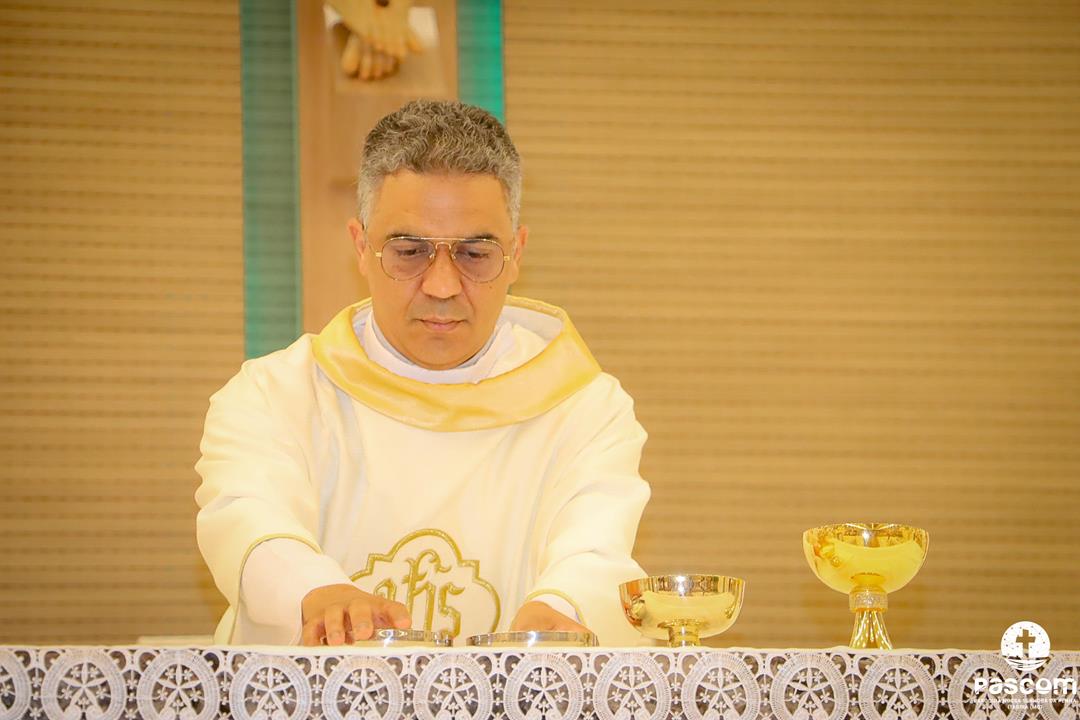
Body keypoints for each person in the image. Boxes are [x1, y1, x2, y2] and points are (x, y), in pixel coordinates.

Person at [195, 99, 651, 646]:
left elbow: (595, 548)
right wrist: (316, 592)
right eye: (409, 251)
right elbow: (247, 515)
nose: (441, 286)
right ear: (361, 246)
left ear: (516, 253)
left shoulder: (585, 406)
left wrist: (560, 608)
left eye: (475, 254)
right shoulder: (275, 395)